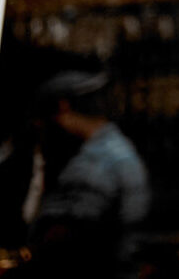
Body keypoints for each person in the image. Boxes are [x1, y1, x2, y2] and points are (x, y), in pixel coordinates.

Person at [23, 69, 150, 279]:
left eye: (42, 122)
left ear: (63, 108)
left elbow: (60, 244)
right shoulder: (119, 148)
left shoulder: (93, 165)